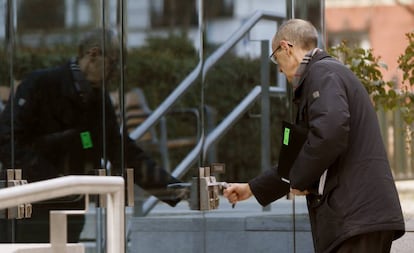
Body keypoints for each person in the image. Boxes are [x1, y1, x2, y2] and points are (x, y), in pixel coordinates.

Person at [223, 19, 405, 253]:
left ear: (285, 47)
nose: (279, 69)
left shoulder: (322, 73)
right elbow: (300, 157)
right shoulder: (322, 77)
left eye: (276, 60)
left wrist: (299, 179)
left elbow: (330, 133)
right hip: (357, 217)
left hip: (354, 216)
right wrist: (252, 188)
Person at [0, 28, 185, 243]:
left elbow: (120, 149)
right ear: (94, 55)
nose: (115, 72)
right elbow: (7, 139)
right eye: (114, 63)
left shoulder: (97, 99)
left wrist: (172, 190)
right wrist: (49, 177)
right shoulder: (40, 84)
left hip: (70, 202)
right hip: (30, 201)